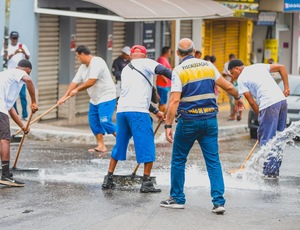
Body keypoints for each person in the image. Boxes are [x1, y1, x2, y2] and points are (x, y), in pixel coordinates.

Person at [159, 38, 244, 213]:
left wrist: (168, 125)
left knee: (178, 159)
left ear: (177, 53)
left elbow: (174, 100)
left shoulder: (178, 71)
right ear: (194, 50)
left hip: (189, 121)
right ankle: (219, 202)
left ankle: (177, 198)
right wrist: (238, 98)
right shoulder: (208, 66)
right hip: (210, 121)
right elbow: (228, 86)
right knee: (213, 161)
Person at [101, 45, 172, 193]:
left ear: (132, 56)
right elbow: (164, 71)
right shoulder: (147, 62)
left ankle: (108, 178)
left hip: (122, 112)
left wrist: (156, 111)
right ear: (145, 56)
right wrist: (180, 81)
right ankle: (146, 183)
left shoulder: (127, 69)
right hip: (138, 113)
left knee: (120, 144)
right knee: (146, 145)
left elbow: (134, 94)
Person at [228, 59, 290, 178]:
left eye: (232, 72)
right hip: (282, 102)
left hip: (269, 104)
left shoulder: (241, 79)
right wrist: (286, 88)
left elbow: (251, 101)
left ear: (237, 68)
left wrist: (260, 115)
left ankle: (269, 172)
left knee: (266, 138)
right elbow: (282, 67)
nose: (232, 76)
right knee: (278, 137)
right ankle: (274, 170)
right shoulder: (258, 66)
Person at [57, 45, 117, 153]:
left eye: (78, 57)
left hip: (106, 96)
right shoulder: (83, 67)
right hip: (94, 99)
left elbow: (91, 81)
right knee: (93, 122)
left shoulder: (97, 62)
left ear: (82, 54)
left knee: (105, 121)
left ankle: (123, 139)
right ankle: (101, 146)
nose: (78, 59)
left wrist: (77, 90)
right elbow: (74, 82)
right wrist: (64, 97)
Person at [0, 59, 38, 186]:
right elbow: (29, 80)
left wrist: (22, 126)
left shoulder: (9, 79)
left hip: (2, 107)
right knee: (4, 139)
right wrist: (33, 102)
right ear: (28, 70)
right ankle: (5, 175)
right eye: (28, 73)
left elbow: (10, 108)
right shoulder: (17, 72)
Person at [1, 31, 30, 121]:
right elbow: (5, 58)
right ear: (10, 39)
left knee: (22, 95)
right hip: (11, 76)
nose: (15, 40)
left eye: (16, 38)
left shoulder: (22, 46)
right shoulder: (7, 47)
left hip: (21, 75)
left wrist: (23, 52)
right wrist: (14, 53)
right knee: (12, 97)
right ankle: (15, 115)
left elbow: (28, 57)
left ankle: (24, 115)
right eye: (13, 38)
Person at [222, 54, 241, 121]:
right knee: (237, 102)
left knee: (235, 102)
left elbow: (233, 78)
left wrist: (231, 81)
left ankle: (234, 115)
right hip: (234, 86)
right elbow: (223, 74)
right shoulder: (226, 64)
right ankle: (237, 115)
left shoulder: (237, 70)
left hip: (234, 86)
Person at [156, 46, 172, 113]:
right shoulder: (162, 59)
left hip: (165, 85)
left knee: (164, 101)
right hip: (162, 85)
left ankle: (162, 117)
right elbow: (160, 71)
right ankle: (162, 117)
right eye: (170, 51)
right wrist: (165, 79)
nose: (170, 53)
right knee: (162, 102)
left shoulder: (164, 59)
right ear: (167, 52)